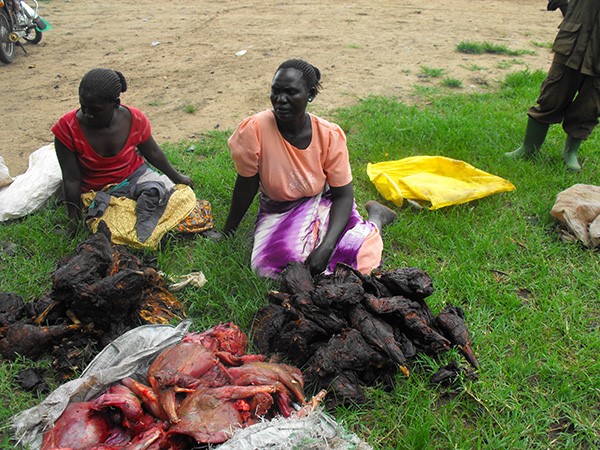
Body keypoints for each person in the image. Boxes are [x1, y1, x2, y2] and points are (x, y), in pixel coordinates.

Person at [223, 59, 396, 279]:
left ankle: (377, 218)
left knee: (359, 259)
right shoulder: (254, 130)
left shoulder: (329, 135)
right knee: (270, 269)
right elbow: (246, 186)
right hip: (279, 208)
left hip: (323, 199)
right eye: (275, 91)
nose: (280, 100)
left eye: (291, 92)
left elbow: (343, 195)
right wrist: (227, 232)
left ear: (310, 94)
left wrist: (326, 246)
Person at [53, 68, 218, 245]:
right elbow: (71, 179)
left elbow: (153, 153)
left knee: (180, 198)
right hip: (100, 191)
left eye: (95, 110)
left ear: (115, 104)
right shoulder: (67, 128)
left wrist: (177, 177)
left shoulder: (134, 119)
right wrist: (74, 222)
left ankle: (182, 228)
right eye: (83, 106)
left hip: (136, 176)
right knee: (109, 228)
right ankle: (161, 231)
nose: (87, 113)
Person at [505, 0, 600, 171]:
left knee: (591, 103)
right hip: (574, 36)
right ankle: (528, 149)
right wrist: (564, 6)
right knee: (553, 93)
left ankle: (570, 153)